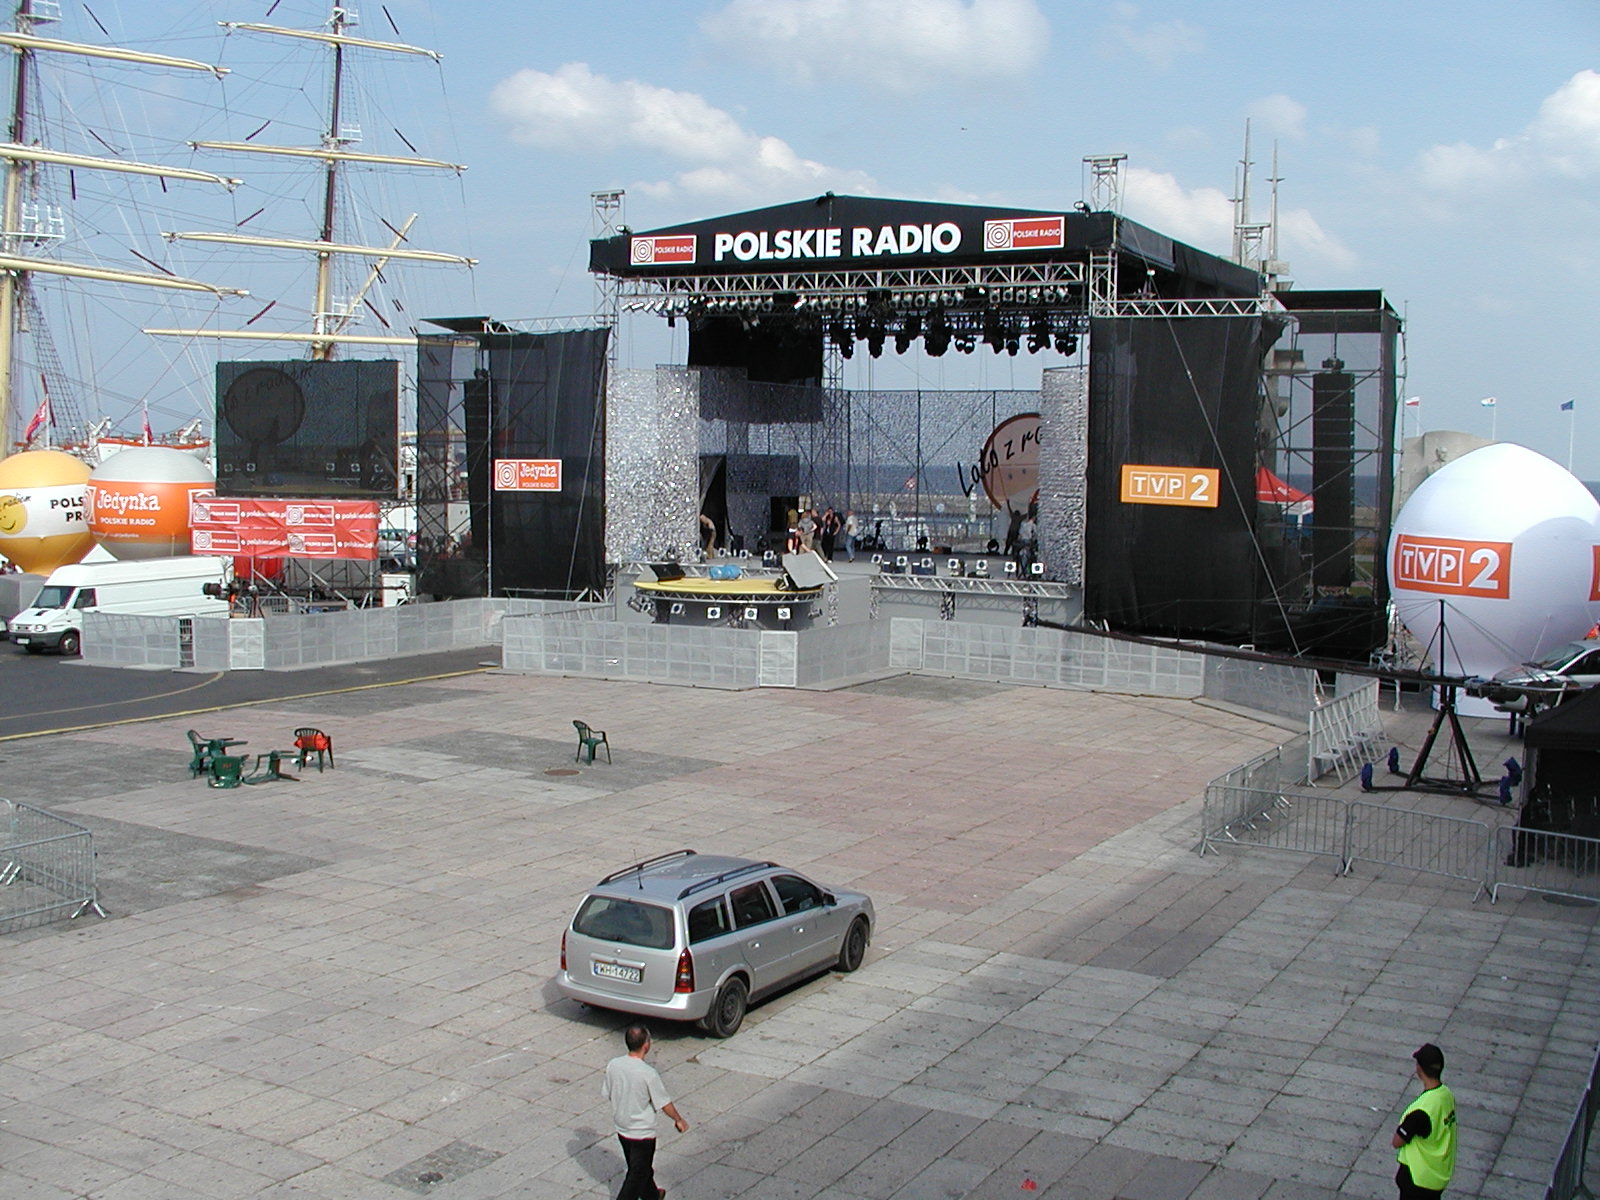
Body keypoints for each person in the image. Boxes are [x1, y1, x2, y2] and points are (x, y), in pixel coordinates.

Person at [602, 1025, 688, 1200]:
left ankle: (653, 1196)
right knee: (636, 1174)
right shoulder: (648, 1073)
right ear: (646, 1046)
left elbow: (608, 1092)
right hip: (642, 1134)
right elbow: (664, 1103)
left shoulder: (614, 1065)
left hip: (622, 1129)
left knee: (640, 1168)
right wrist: (678, 1119)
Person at [1391, 1042, 1456, 1199]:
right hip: (1438, 1175)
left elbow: (1397, 1142)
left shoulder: (1421, 1110)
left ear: (1419, 1069)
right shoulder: (1446, 1095)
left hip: (1418, 1179)